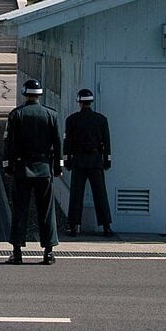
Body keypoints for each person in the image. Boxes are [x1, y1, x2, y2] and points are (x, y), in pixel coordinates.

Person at [2, 78, 62, 265]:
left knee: (20, 210)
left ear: (24, 93)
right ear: (40, 95)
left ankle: (17, 251)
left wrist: (7, 166)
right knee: (46, 211)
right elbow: (58, 143)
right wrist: (58, 166)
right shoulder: (51, 115)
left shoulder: (16, 115)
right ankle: (48, 252)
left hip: (22, 168)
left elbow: (9, 143)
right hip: (44, 167)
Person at [64, 88, 113, 237]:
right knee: (100, 194)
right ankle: (106, 226)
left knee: (76, 195)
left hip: (78, 161)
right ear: (91, 102)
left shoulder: (71, 120)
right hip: (96, 160)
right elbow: (107, 142)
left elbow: (67, 143)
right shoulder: (101, 119)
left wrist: (65, 161)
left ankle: (73, 226)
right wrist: (107, 160)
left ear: (79, 102)